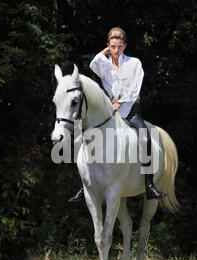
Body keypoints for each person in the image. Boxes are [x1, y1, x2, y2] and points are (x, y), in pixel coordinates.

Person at [68, 27, 167, 202]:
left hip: (130, 110)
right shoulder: (104, 65)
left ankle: (149, 184)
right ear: (108, 46)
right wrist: (105, 51)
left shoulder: (134, 63)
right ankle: (84, 186)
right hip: (111, 112)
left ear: (125, 46)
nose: (116, 50)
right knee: (86, 137)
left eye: (120, 47)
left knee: (145, 137)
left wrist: (119, 102)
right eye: (112, 46)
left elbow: (135, 89)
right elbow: (93, 63)